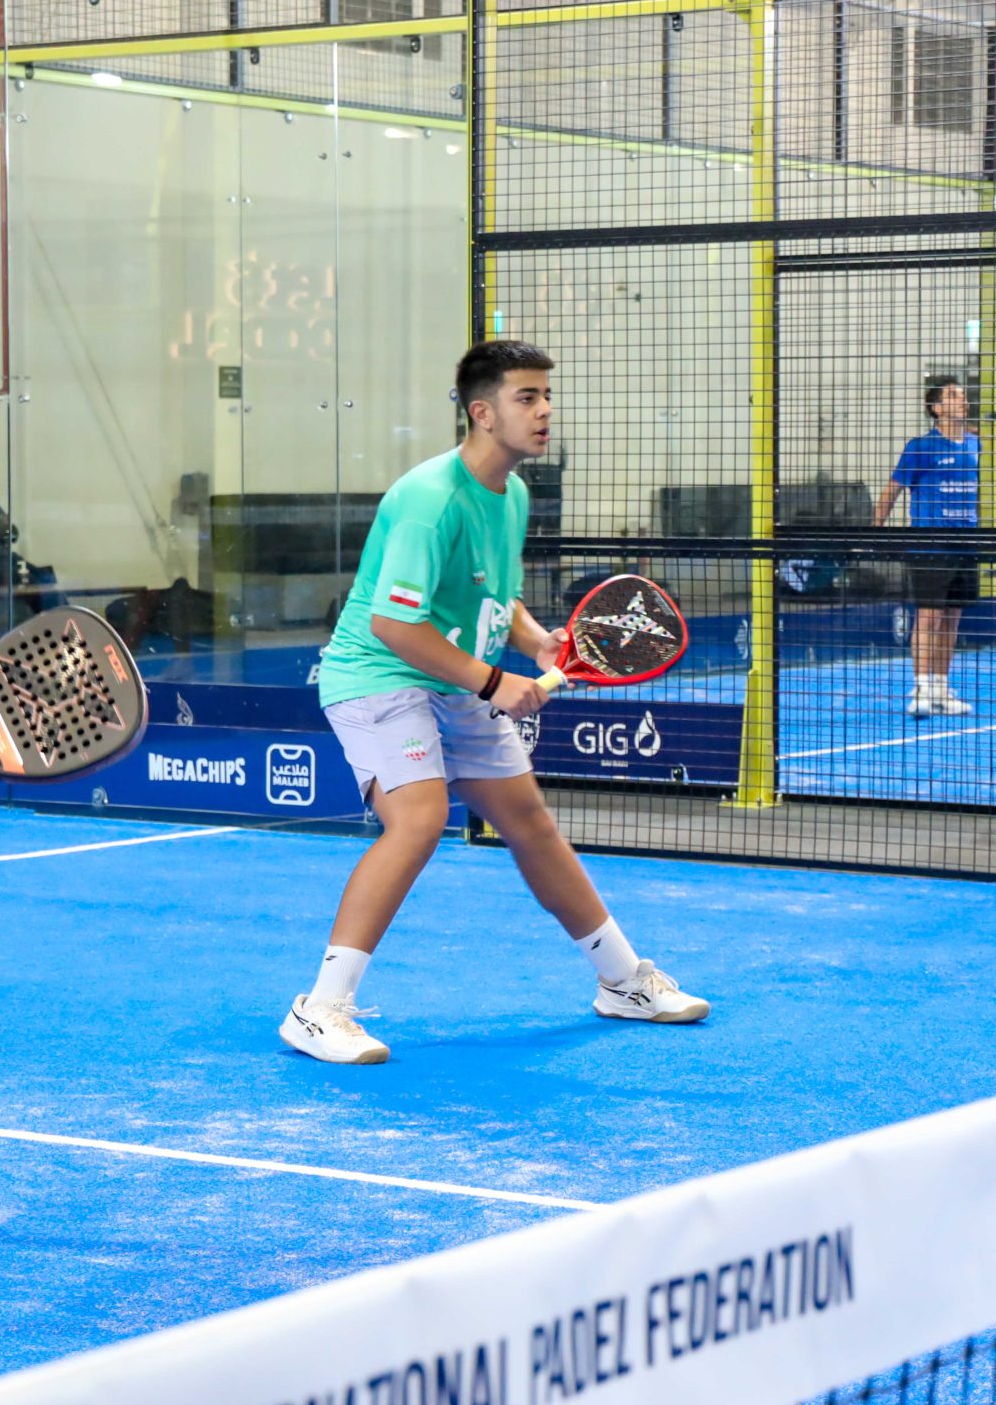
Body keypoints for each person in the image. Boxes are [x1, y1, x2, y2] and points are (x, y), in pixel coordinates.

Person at [280, 339, 709, 1065]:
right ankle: (319, 1009)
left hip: (450, 678)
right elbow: (394, 625)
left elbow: (491, 593)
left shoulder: (511, 494)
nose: (544, 411)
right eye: (526, 398)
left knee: (528, 819)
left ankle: (623, 982)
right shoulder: (428, 501)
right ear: (481, 412)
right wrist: (492, 682)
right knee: (419, 819)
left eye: (546, 396)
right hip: (378, 673)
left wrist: (536, 642)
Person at [873, 379, 981, 717]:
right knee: (929, 616)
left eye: (963, 395)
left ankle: (941, 689)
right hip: (931, 544)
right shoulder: (920, 447)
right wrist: (875, 529)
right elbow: (892, 490)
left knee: (951, 619)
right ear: (936, 408)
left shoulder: (975, 443)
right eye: (953, 395)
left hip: (967, 544)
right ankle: (920, 689)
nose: (962, 399)